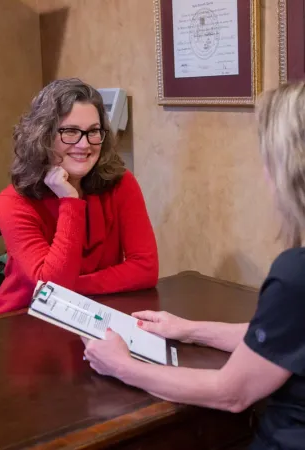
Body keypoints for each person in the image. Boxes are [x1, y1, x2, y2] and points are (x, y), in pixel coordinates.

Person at [83, 81, 305, 450]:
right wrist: (189, 329)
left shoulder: (295, 274)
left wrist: (122, 365)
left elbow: (231, 393)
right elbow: (279, 336)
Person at [0, 78, 158, 315]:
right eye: (70, 132)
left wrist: (71, 287)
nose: (84, 144)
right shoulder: (14, 202)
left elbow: (145, 268)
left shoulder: (121, 183)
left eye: (93, 132)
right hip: (25, 318)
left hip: (94, 313)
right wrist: (70, 201)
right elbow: (52, 284)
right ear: (43, 135)